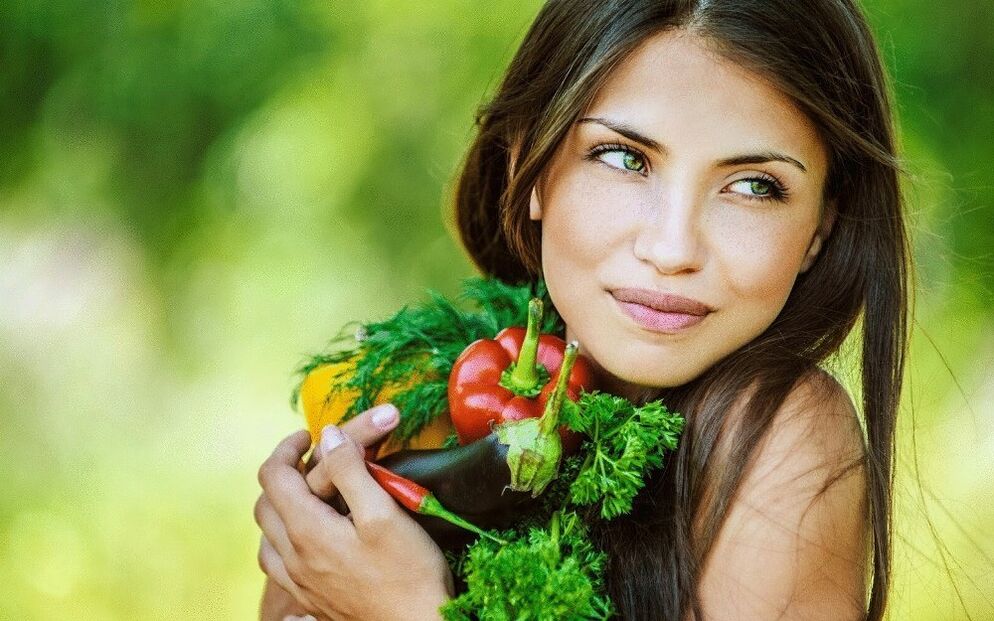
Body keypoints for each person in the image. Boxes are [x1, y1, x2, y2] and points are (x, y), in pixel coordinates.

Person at [254, 0, 909, 619]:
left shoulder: (781, 432)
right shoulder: (445, 394)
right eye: (625, 158)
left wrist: (410, 608)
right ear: (528, 171)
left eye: (752, 186)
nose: (672, 247)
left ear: (821, 225)